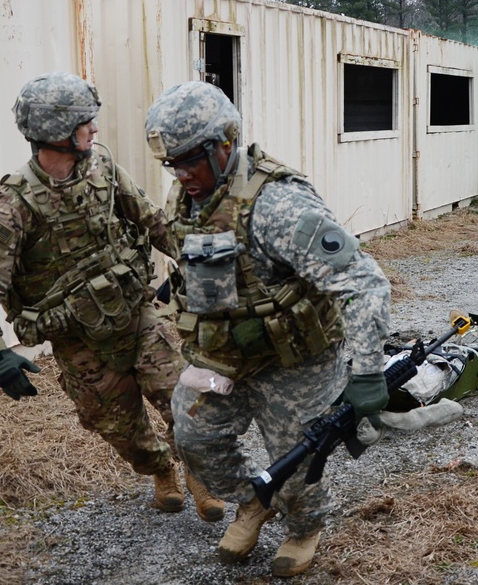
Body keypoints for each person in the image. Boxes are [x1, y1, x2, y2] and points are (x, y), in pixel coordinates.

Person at [143, 81, 393, 577]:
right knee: (194, 437)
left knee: (297, 461)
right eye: (173, 164)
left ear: (226, 143)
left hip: (294, 359)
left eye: (192, 160)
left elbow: (365, 284)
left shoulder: (279, 204)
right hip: (224, 354)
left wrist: (367, 372)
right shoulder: (190, 193)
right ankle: (254, 502)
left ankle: (304, 528)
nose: (182, 174)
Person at [0, 72, 223, 521]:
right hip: (80, 342)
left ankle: (199, 475)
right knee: (120, 431)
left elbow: (153, 220)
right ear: (58, 133)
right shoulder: (15, 205)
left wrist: (201, 258)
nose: (94, 131)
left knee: (181, 397)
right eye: (86, 124)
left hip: (136, 313)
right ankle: (160, 470)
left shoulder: (102, 167)